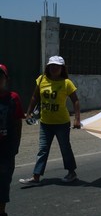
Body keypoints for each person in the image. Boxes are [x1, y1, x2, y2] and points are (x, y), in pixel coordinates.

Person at [19, 56, 81, 186]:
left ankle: (72, 173)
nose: (54, 68)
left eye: (57, 66)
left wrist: (77, 119)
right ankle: (36, 177)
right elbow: (35, 97)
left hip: (62, 123)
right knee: (43, 149)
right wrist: (28, 112)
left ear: (62, 68)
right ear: (48, 67)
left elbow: (75, 100)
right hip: (45, 123)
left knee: (65, 148)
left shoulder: (66, 83)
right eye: (52, 66)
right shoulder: (41, 80)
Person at [0, 64, 25, 216]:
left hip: (5, 150)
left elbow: (17, 124)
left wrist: (16, 145)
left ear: (6, 79)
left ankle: (1, 215)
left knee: (2, 183)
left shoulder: (13, 98)